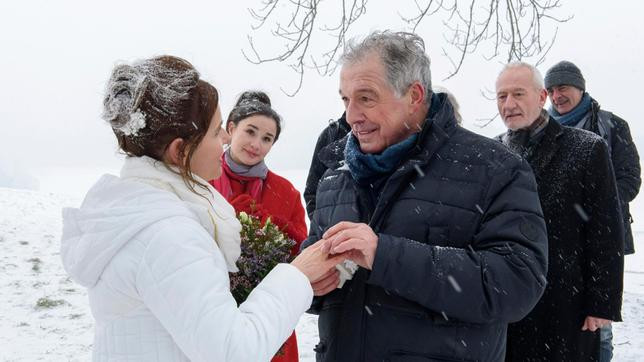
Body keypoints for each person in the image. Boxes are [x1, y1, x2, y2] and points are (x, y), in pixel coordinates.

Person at [60, 55, 345, 361]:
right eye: (216, 130)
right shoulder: (168, 235)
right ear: (181, 151)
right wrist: (297, 275)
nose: (225, 139)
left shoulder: (140, 212)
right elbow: (234, 351)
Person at [301, 31, 549, 362]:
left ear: (415, 95)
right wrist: (310, 285)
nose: (351, 116)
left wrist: (385, 255)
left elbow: (518, 282)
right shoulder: (335, 176)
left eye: (366, 98)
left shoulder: (494, 168)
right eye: (345, 99)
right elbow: (318, 266)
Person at [495, 62, 624, 361]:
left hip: (567, 299)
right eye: (502, 97)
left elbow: (605, 228)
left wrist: (601, 303)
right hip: (510, 302)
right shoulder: (492, 153)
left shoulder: (586, 148)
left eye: (517, 94)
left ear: (541, 98)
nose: (509, 104)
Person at [544, 60, 641, 361]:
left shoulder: (612, 126)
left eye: (563, 88)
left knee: (599, 322)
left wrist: (593, 208)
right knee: (559, 319)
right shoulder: (543, 131)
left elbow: (630, 179)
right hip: (555, 241)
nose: (556, 96)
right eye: (550, 90)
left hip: (602, 240)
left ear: (580, 88)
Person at [210, 90, 307, 361]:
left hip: (270, 315)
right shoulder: (201, 178)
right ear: (230, 129)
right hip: (211, 309)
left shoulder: (285, 192)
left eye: (267, 139)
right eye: (250, 132)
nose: (256, 144)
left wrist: (265, 224)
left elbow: (301, 252)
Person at [304, 112, 350, 220]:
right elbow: (312, 191)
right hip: (333, 234)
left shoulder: (390, 132)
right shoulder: (332, 134)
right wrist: (322, 229)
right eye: (346, 98)